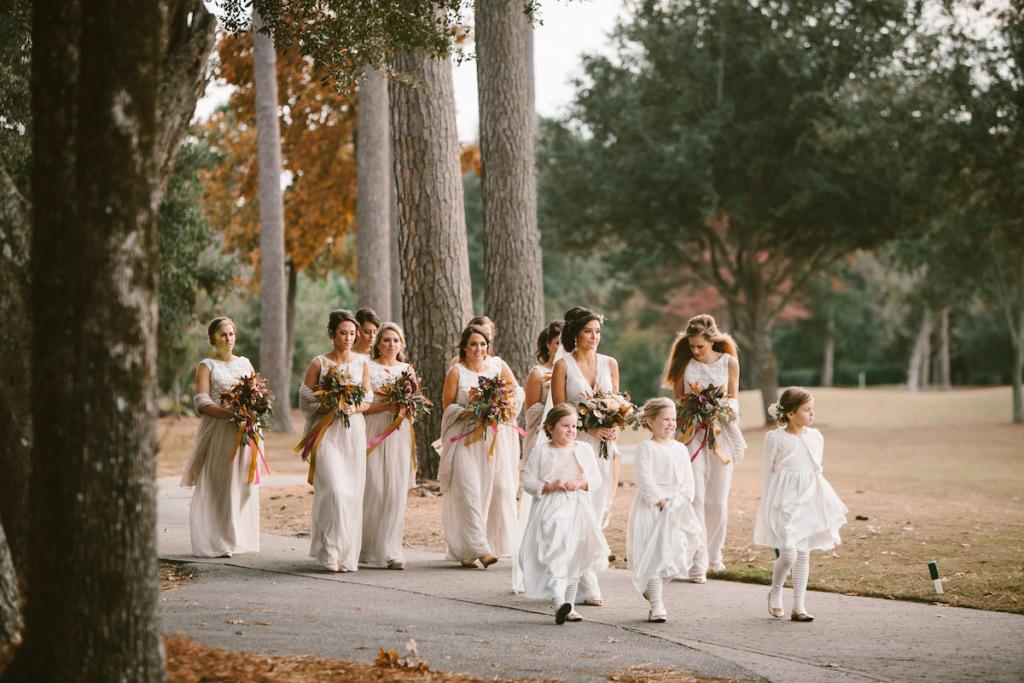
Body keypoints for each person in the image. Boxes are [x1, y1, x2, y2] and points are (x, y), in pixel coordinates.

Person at [663, 313, 747, 583]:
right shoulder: (684, 364)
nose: (696, 351)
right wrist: (693, 410)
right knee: (695, 496)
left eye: (700, 346)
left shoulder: (729, 362)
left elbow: (734, 398)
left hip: (720, 434)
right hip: (690, 435)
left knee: (717, 500)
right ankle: (696, 558)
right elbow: (677, 400)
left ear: (712, 340)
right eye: (692, 346)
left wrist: (719, 410)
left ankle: (714, 555)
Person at [755, 387, 848, 622]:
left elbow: (816, 468)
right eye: (806, 410)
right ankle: (776, 590)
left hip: (809, 497)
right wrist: (768, 503)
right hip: (784, 499)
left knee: (804, 553)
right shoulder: (775, 438)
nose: (812, 414)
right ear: (790, 413)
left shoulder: (815, 436)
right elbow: (768, 472)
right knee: (788, 553)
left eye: (812, 409)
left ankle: (799, 606)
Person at [550, 306, 620, 606]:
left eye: (598, 332)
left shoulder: (610, 363)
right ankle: (587, 585)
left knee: (598, 511)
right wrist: (589, 432)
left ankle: (577, 575)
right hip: (576, 448)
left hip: (605, 451)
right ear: (575, 334)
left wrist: (614, 427)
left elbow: (616, 404)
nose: (594, 337)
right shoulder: (563, 366)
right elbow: (558, 414)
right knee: (581, 515)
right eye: (589, 331)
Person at [437, 324, 522, 567]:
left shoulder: (497, 366)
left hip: (490, 441)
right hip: (463, 440)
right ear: (464, 347)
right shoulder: (457, 372)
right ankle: (480, 548)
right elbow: (448, 408)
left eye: (482, 344)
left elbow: (515, 393)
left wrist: (501, 408)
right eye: (473, 344)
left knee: (485, 492)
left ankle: (467, 551)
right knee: (468, 492)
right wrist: (472, 410)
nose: (478, 348)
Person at [519, 404, 608, 624]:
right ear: (550, 428)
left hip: (578, 506)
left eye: (574, 426)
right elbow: (528, 482)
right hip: (552, 507)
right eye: (564, 426)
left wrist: (579, 482)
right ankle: (559, 602)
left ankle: (569, 606)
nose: (571, 430)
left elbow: (596, 480)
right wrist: (550, 485)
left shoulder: (584, 449)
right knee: (557, 550)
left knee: (576, 553)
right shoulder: (542, 450)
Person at [298, 309, 372, 572]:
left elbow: (368, 398)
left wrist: (355, 407)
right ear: (332, 334)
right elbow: (304, 398)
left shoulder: (362, 362)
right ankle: (329, 551)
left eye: (353, 333)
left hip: (351, 432)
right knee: (334, 491)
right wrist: (328, 401)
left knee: (350, 494)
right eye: (343, 333)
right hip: (326, 432)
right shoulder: (319, 363)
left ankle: (342, 553)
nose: (349, 338)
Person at [181, 317, 260, 558]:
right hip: (219, 430)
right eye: (223, 335)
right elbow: (201, 401)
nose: (229, 339)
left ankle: (236, 533)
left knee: (245, 485)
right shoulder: (207, 366)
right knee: (222, 484)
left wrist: (253, 410)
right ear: (213, 339)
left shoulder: (245, 363)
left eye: (232, 334)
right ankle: (222, 539)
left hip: (246, 429)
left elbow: (256, 393)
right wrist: (228, 413)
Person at [627, 397, 703, 622]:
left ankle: (653, 590)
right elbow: (644, 479)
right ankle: (657, 604)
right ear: (650, 421)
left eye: (673, 419)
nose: (671, 424)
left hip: (677, 506)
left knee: (674, 552)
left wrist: (682, 500)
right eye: (665, 419)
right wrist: (661, 503)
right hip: (654, 507)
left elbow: (689, 480)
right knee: (654, 555)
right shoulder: (646, 448)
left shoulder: (680, 448)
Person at [361, 322, 418, 570]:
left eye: (395, 340)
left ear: (401, 343)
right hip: (373, 429)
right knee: (373, 488)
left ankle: (392, 550)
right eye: (386, 340)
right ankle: (367, 547)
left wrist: (404, 408)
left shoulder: (407, 370)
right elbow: (362, 405)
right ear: (377, 343)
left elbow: (414, 406)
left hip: (399, 433)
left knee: (395, 490)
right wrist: (387, 405)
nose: (391, 344)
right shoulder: (367, 366)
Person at [512, 320, 564, 593]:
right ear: (549, 344)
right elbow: (531, 415)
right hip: (541, 439)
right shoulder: (537, 373)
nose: (563, 348)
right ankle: (533, 565)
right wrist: (552, 408)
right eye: (558, 343)